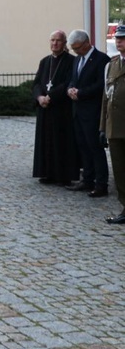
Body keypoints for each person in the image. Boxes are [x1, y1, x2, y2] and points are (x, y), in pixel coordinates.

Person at [66, 29, 110, 197]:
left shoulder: (101, 60)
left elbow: (101, 85)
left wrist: (81, 93)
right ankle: (87, 179)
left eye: (77, 48)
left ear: (86, 43)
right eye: (74, 48)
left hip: (92, 111)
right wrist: (70, 89)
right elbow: (73, 79)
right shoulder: (77, 60)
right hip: (78, 111)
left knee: (95, 148)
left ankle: (101, 184)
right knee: (83, 147)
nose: (75, 51)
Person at [32, 30, 78, 186]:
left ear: (64, 43)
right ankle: (46, 173)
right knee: (46, 141)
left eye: (58, 40)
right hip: (45, 109)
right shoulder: (45, 61)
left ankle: (63, 175)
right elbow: (37, 83)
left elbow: (69, 82)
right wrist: (39, 97)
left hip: (61, 109)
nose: (55, 43)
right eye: (52, 40)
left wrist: (50, 96)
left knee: (62, 142)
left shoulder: (72, 61)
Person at [101, 25, 125, 224]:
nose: (119, 42)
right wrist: (103, 127)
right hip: (115, 127)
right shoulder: (112, 65)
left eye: (123, 38)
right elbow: (106, 98)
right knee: (119, 170)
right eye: (117, 38)